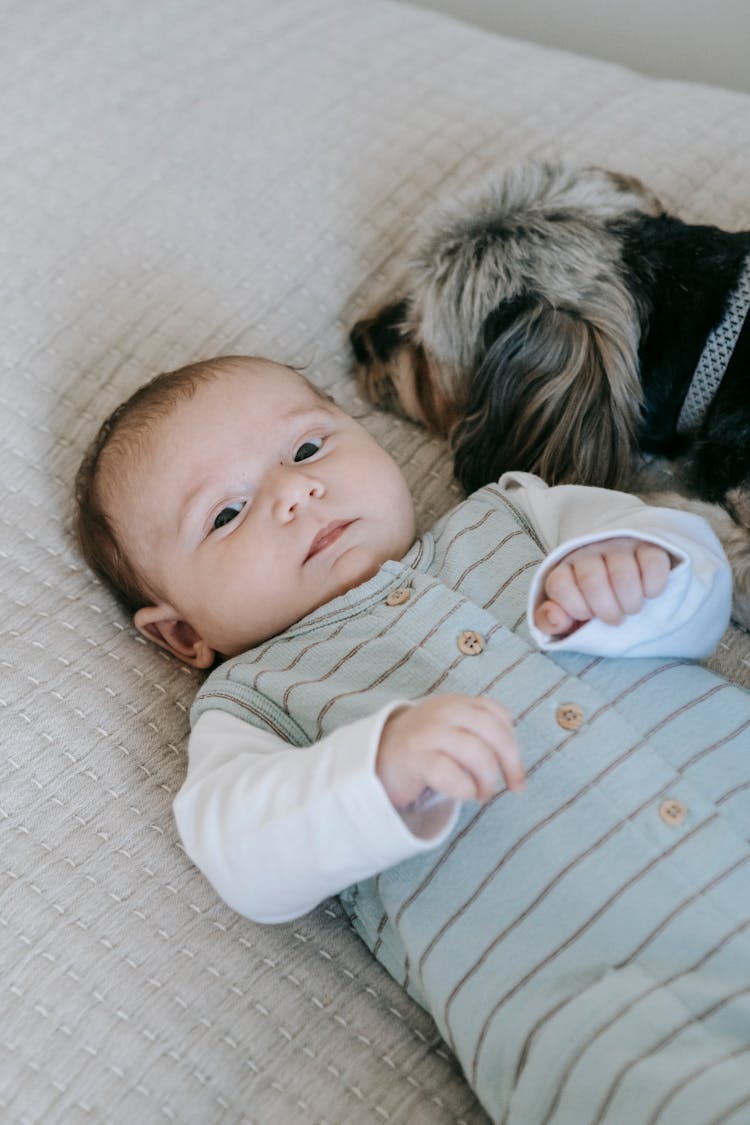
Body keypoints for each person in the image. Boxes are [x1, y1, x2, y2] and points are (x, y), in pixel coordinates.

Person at [75, 354, 750, 1125]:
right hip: (618, 1015)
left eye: (307, 450)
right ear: (183, 633)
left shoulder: (516, 513)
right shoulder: (254, 701)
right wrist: (373, 771)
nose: (296, 491)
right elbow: (242, 851)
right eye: (226, 515)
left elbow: (697, 586)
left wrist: (642, 566)